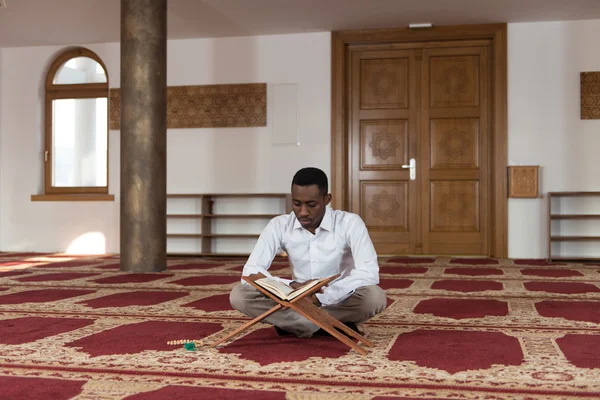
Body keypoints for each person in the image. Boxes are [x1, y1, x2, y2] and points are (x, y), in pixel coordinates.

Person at [229, 167, 387, 338]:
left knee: (374, 297)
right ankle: (329, 325)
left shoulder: (350, 223)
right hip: (295, 300)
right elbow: (251, 271)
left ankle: (295, 324)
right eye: (297, 204)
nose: (303, 212)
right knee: (239, 295)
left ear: (327, 199)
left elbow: (368, 272)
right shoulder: (279, 225)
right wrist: (290, 287)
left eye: (311, 205)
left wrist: (322, 297)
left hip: (339, 299)